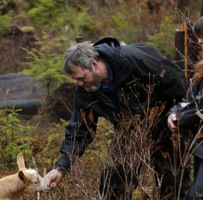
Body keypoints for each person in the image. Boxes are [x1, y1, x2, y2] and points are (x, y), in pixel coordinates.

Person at [44, 37, 189, 199]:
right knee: (113, 186)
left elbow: (182, 89)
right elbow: (80, 129)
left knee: (173, 185)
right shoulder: (86, 90)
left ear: (94, 64)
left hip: (167, 127)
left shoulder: (140, 60)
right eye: (76, 80)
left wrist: (178, 113)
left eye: (82, 77)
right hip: (128, 133)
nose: (79, 84)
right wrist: (60, 167)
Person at [167, 16, 203, 200]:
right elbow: (189, 98)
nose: (199, 43)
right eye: (198, 38)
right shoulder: (200, 71)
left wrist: (183, 119)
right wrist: (173, 114)